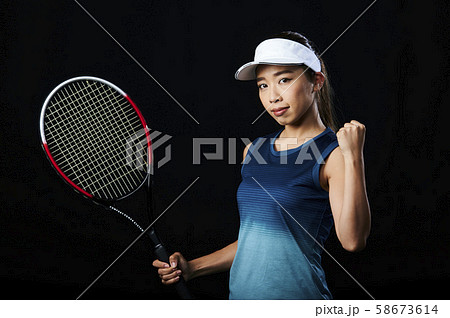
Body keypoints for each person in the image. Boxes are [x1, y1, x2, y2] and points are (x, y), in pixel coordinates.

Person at [152, 31, 371, 299]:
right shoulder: (254, 150)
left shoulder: (334, 154)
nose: (273, 96)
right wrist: (192, 268)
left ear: (316, 81)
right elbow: (254, 243)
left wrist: (354, 158)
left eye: (284, 80)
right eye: (263, 85)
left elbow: (353, 241)